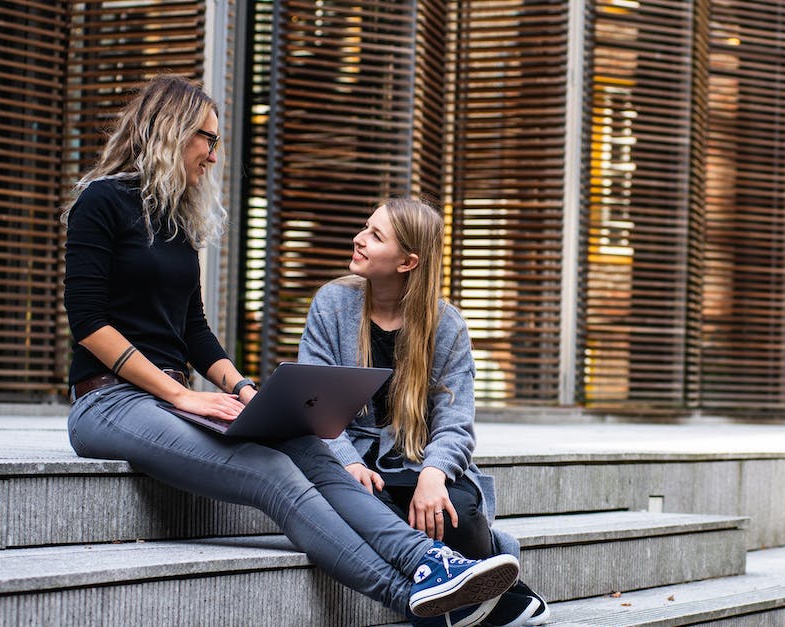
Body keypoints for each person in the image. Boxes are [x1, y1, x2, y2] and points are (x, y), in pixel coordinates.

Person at [61, 74, 518, 627]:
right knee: (272, 473)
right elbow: (88, 322)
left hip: (168, 399)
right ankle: (412, 600)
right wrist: (185, 395)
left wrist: (243, 389)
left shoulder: (177, 221)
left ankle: (430, 562)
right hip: (109, 403)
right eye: (207, 137)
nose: (214, 152)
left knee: (312, 451)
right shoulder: (102, 201)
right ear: (171, 131)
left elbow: (194, 329)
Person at [297, 197, 549, 626]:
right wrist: (348, 462)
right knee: (367, 507)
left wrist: (434, 474)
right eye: (365, 227)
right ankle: (503, 599)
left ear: (407, 262)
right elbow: (312, 400)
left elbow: (455, 422)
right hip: (352, 460)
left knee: (456, 511)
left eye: (375, 236)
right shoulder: (332, 303)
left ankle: (467, 599)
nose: (358, 239)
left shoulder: (446, 323)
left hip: (416, 460)